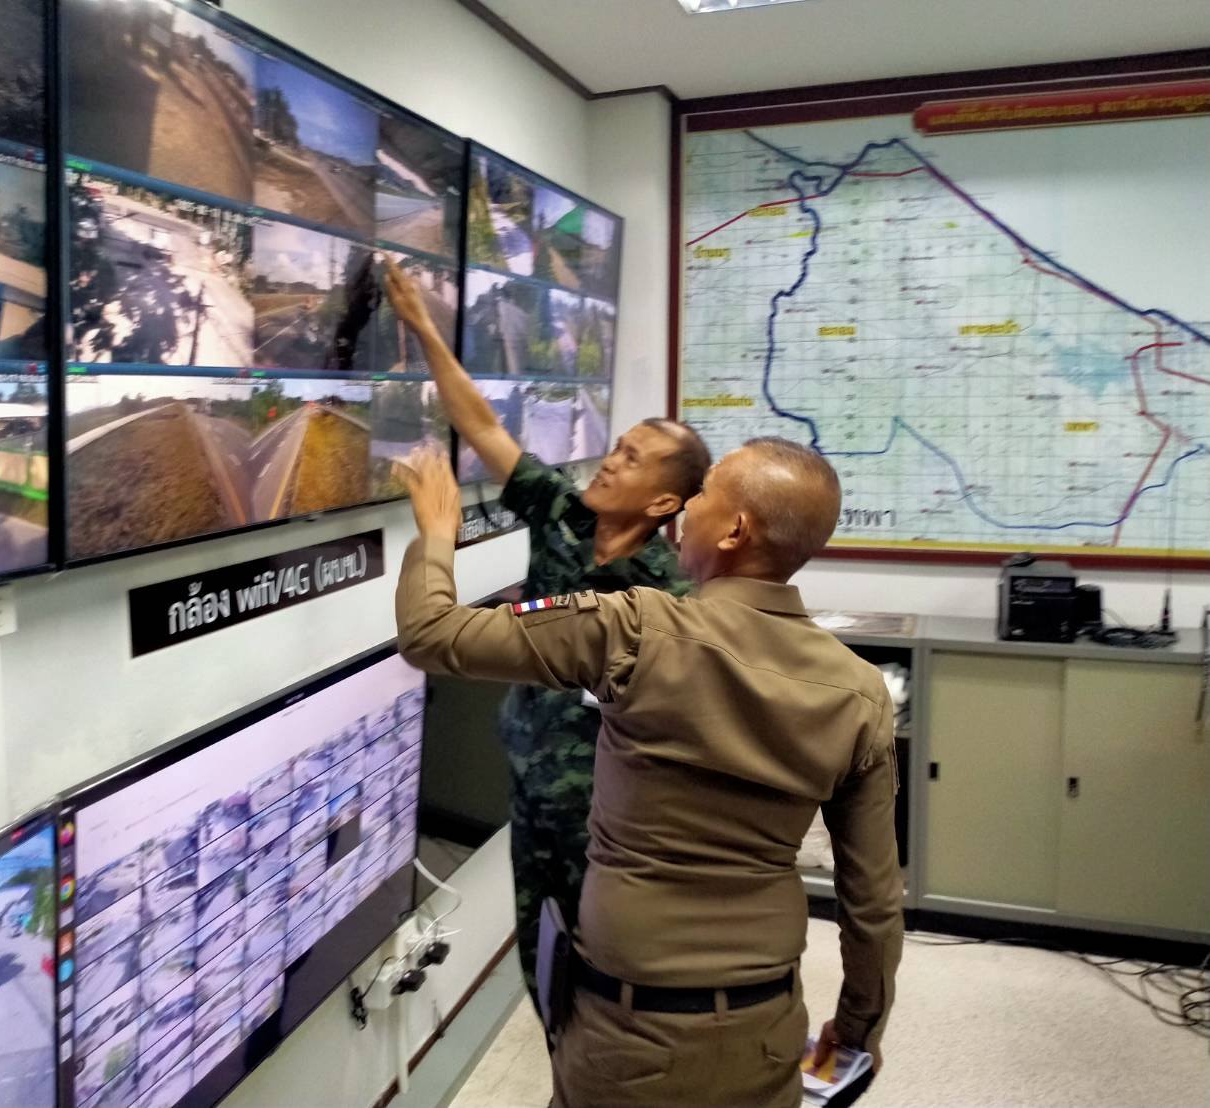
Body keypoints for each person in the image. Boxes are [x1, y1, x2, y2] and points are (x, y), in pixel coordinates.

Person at [392, 441, 902, 1108]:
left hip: (629, 1029)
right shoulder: (861, 693)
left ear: (734, 530)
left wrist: (436, 532)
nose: (687, 508)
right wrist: (857, 1030)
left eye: (703, 494)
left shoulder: (634, 629)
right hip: (768, 1026)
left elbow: (432, 634)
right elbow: (873, 902)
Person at [382, 260, 711, 1004]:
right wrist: (424, 326)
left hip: (608, 816)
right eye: (616, 446)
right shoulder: (565, 513)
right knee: (540, 956)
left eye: (630, 460)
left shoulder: (667, 597)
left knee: (604, 969)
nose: (609, 462)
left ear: (663, 502)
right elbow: (481, 425)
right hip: (531, 787)